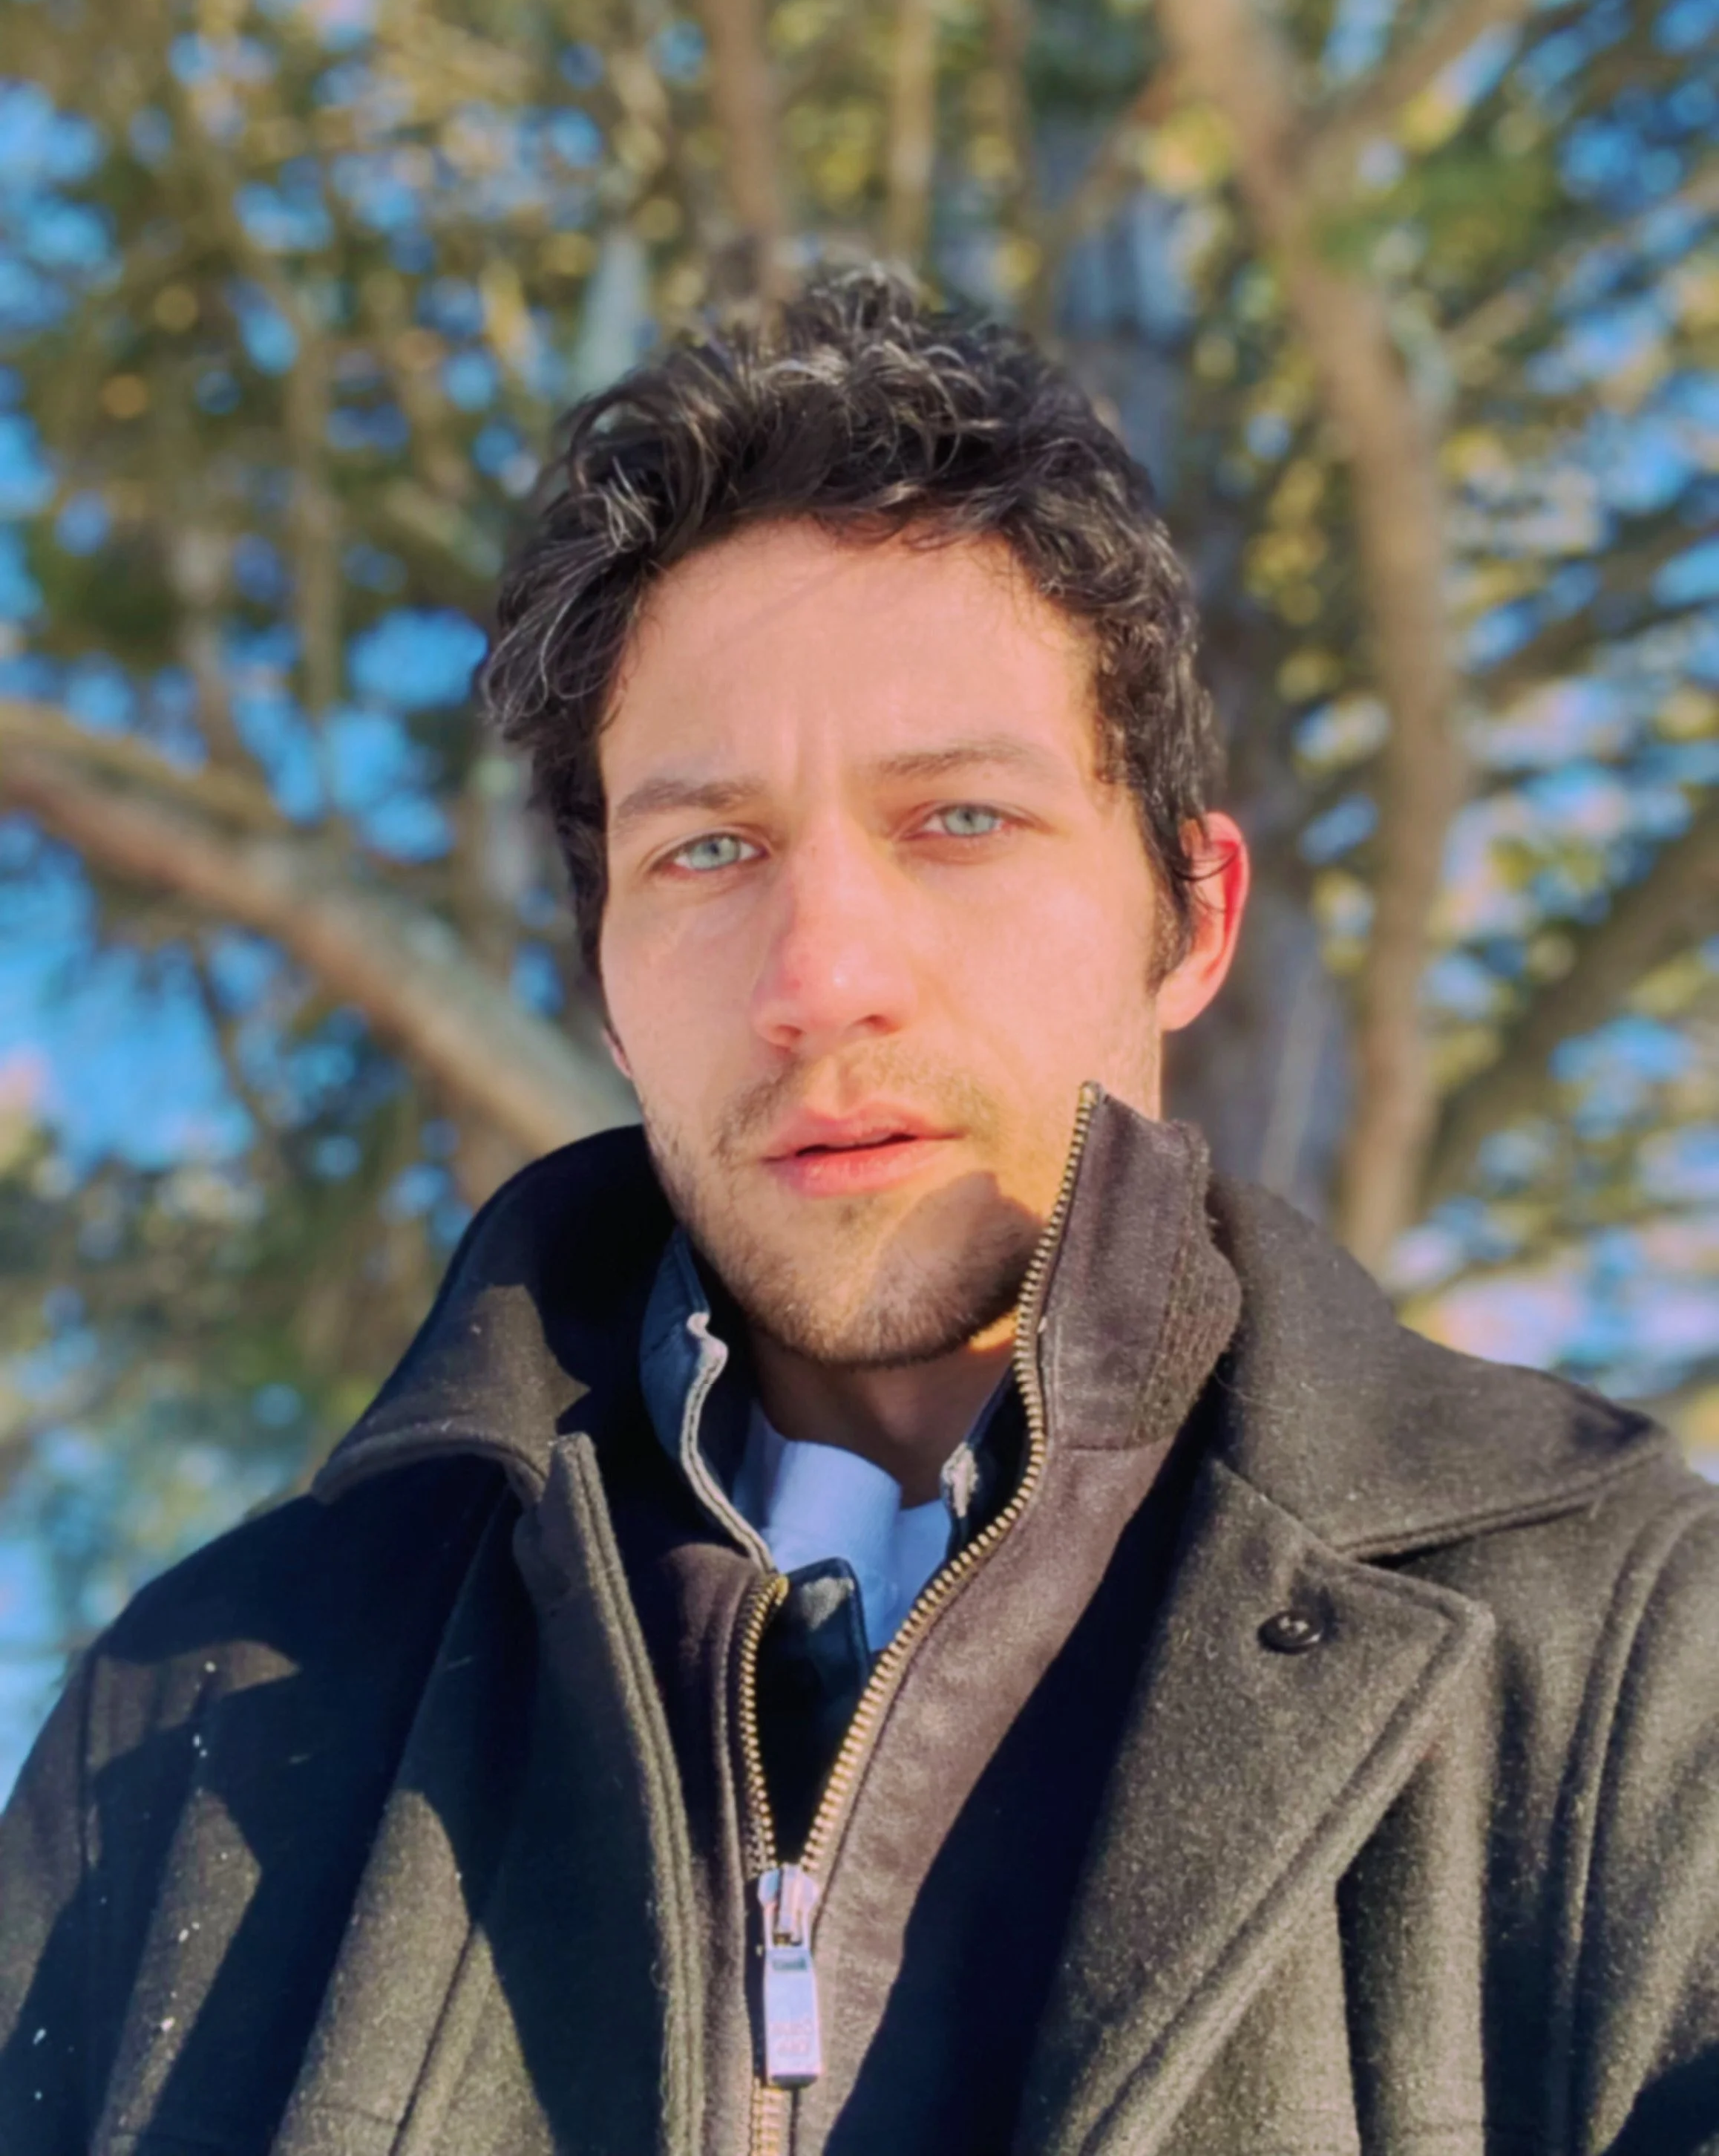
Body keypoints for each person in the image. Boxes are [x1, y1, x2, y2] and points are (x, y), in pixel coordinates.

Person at [1, 272, 1715, 2156]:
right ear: (607, 986)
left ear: (1195, 916)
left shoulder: (1627, 1654)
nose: (821, 976)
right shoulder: (186, 1718)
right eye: (708, 848)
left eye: (959, 818)